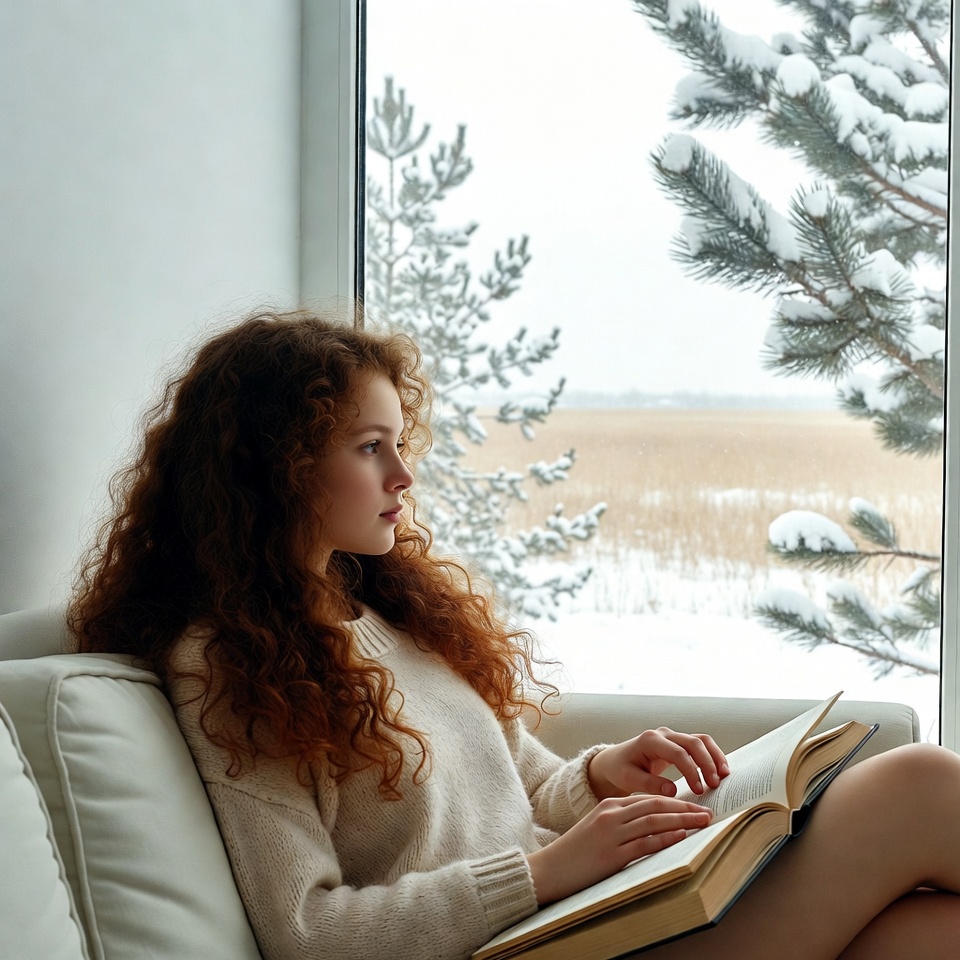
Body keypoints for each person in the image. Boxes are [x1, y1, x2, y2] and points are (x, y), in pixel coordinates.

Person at [68, 308, 960, 960]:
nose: (403, 474)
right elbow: (307, 931)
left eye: (398, 443)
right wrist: (545, 877)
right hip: (530, 946)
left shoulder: (379, 617)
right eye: (370, 446)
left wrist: (604, 775)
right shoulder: (229, 665)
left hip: (585, 916)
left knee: (932, 934)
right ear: (280, 466)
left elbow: (521, 788)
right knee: (916, 784)